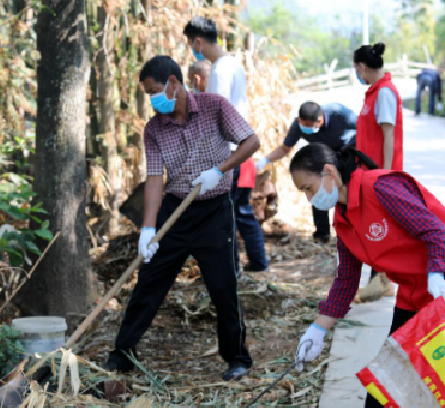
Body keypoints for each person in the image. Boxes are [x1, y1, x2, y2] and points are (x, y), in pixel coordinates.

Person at [288, 143, 445, 408]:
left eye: (308, 188)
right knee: (389, 382)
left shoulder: (380, 188)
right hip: (415, 290)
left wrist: (437, 273)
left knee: (434, 380)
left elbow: (434, 231)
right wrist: (317, 330)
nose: (309, 198)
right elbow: (346, 281)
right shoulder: (343, 218)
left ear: (329, 172)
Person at [105, 55, 259, 381]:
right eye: (147, 94)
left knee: (223, 286)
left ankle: (237, 357)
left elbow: (251, 140)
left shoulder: (215, 106)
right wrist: (148, 228)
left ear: (174, 82)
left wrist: (220, 170)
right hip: (174, 213)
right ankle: (122, 354)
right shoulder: (154, 129)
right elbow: (155, 179)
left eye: (154, 90)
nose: (152, 99)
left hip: (215, 212)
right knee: (149, 283)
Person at [184, 17, 268, 273]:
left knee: (225, 217)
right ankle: (252, 263)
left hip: (228, 153)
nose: (192, 49)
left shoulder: (220, 69)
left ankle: (231, 268)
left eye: (190, 44)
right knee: (238, 212)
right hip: (238, 150)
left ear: (198, 40)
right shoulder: (234, 64)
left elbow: (215, 115)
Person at [257, 101, 357, 243]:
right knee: (316, 190)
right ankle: (322, 234)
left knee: (347, 192)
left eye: (308, 126)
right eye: (302, 125)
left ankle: (352, 228)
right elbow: (285, 148)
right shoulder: (299, 125)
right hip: (321, 157)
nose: (304, 129)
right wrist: (264, 161)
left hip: (346, 154)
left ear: (320, 120)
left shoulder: (340, 114)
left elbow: (364, 133)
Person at [354, 42, 404, 289]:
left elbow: (388, 136)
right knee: (374, 225)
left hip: (378, 174)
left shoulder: (384, 92)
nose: (357, 74)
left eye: (356, 69)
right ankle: (380, 279)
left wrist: (383, 175)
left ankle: (381, 280)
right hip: (368, 173)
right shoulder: (375, 92)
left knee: (378, 226)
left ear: (362, 66)